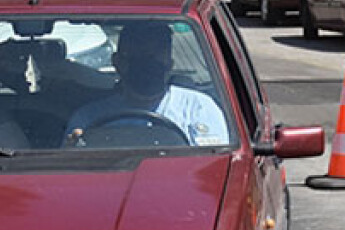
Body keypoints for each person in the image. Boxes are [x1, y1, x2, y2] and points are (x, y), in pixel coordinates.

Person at [65, 21, 229, 147]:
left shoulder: (199, 109)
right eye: (139, 57)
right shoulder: (89, 119)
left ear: (169, 63)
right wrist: (73, 152)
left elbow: (215, 168)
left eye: (155, 57)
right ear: (118, 62)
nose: (148, 65)